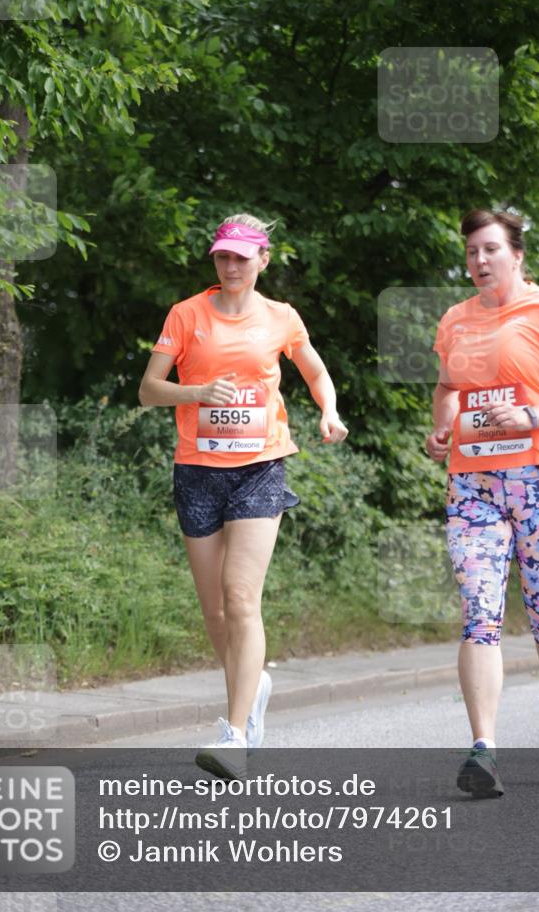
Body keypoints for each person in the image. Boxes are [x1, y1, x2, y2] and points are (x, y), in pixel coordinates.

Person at [139, 213, 348, 780]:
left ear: (263, 260)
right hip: (197, 471)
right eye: (222, 256)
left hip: (260, 467)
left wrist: (329, 411)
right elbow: (149, 390)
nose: (230, 265)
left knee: (240, 597)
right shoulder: (187, 314)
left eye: (240, 257)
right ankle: (252, 689)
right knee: (214, 609)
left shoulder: (281, 317)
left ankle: (234, 734)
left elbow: (316, 372)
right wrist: (198, 391)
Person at [426, 209, 539, 797]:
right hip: (474, 485)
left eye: (490, 249)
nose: (480, 260)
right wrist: (442, 428)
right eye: (472, 252)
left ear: (516, 254)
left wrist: (530, 415)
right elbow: (447, 390)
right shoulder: (455, 320)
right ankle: (483, 750)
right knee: (479, 611)